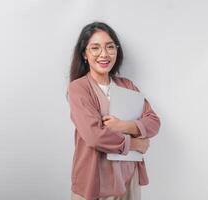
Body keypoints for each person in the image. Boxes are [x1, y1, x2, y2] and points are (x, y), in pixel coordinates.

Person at [67, 22, 161, 200]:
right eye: (95, 48)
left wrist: (124, 126)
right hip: (95, 180)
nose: (104, 54)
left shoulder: (127, 86)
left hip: (128, 177)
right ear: (84, 54)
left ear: (117, 51)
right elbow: (95, 136)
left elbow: (154, 122)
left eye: (110, 47)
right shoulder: (79, 88)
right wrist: (135, 144)